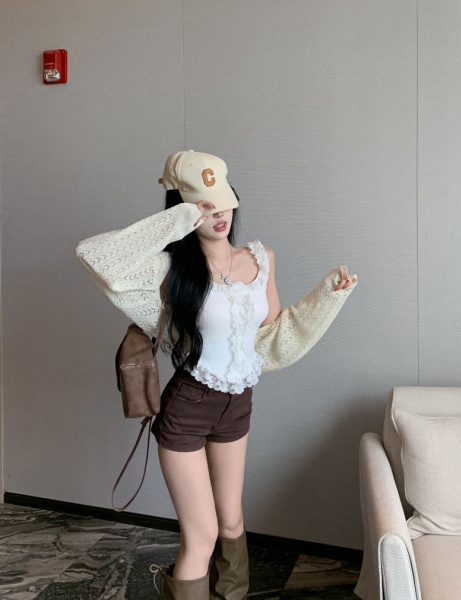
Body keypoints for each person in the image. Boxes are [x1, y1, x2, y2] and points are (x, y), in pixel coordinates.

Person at [76, 150, 357, 599]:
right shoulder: (171, 269)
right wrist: (179, 218)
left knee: (231, 521)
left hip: (238, 404)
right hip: (188, 406)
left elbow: (271, 333)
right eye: (205, 207)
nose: (219, 214)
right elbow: (94, 255)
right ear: (185, 211)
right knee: (202, 535)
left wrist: (327, 297)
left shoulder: (261, 258)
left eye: (223, 203)